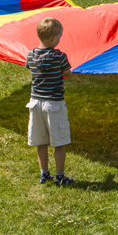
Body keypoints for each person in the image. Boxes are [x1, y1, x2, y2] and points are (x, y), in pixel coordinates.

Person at [26, 17, 75, 186]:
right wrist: (71, 73)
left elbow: (30, 67)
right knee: (60, 142)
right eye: (59, 36)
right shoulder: (60, 57)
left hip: (35, 103)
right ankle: (60, 177)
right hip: (54, 104)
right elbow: (67, 73)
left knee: (41, 142)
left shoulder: (30, 55)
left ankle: (44, 174)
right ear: (54, 38)